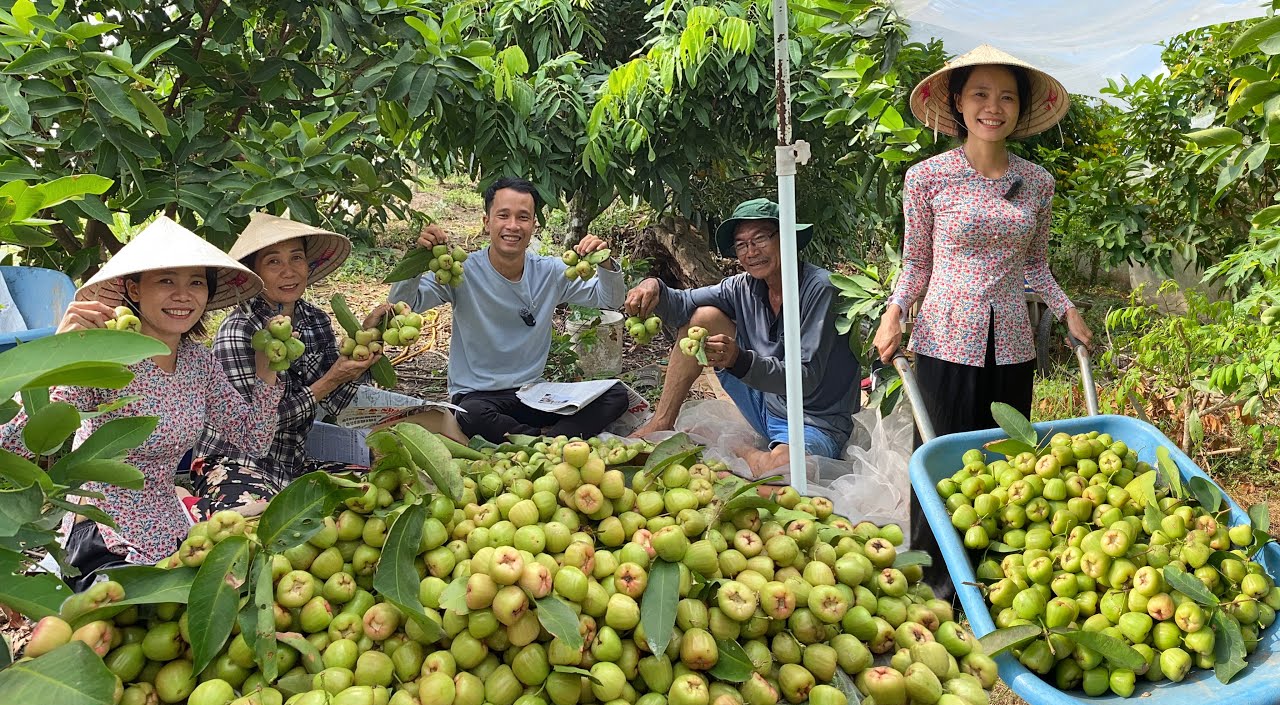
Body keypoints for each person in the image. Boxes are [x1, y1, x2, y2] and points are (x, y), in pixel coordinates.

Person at [871, 45, 1095, 592]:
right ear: (957, 102)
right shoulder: (928, 178)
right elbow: (917, 262)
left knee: (1007, 461)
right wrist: (895, 311)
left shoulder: (1037, 183)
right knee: (940, 457)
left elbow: (1036, 266)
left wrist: (1067, 308)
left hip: (1014, 344)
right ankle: (932, 583)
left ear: (1020, 109)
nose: (992, 107)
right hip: (947, 338)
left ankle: (993, 578)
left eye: (1006, 97)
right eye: (979, 94)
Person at [0, 217, 282, 586]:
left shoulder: (199, 362)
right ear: (133, 289)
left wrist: (267, 371)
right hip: (104, 533)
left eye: (196, 282)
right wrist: (57, 358)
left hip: (169, 529)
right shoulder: (103, 360)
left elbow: (253, 440)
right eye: (166, 280)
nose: (183, 295)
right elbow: (12, 444)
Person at [625, 198, 861, 477]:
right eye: (741, 244)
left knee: (784, 470)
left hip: (814, 420)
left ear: (787, 238)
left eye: (760, 238)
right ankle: (662, 421)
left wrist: (738, 360)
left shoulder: (820, 289)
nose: (751, 252)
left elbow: (805, 378)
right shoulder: (743, 287)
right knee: (703, 319)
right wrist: (653, 286)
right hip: (767, 406)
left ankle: (744, 451)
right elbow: (681, 306)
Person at [387, 177, 629, 442]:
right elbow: (406, 306)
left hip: (533, 395)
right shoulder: (461, 272)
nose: (513, 226)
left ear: (534, 225)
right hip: (479, 398)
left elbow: (609, 299)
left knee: (615, 395)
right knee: (471, 414)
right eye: (503, 215)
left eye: (523, 217)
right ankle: (552, 442)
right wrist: (417, 259)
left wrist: (604, 261)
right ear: (487, 222)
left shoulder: (550, 272)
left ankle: (537, 443)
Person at [191, 213, 383, 518]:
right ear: (254, 274)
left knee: (377, 490)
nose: (289, 271)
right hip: (233, 463)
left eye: (296, 258)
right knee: (252, 519)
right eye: (273, 262)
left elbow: (337, 402)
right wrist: (328, 382)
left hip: (291, 464)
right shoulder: (239, 331)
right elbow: (251, 432)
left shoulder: (315, 321)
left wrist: (366, 344)